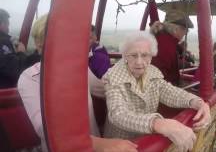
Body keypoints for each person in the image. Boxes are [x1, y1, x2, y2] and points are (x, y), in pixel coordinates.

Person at [18, 16, 138, 152]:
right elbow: (43, 127)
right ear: (40, 44)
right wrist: (100, 144)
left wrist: (132, 82)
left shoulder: (79, 69)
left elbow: (105, 88)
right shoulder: (30, 78)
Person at [103, 32, 211, 152]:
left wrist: (197, 102)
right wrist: (159, 124)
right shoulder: (113, 77)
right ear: (125, 56)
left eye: (145, 55)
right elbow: (118, 114)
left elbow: (171, 93)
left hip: (146, 137)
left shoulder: (152, 73)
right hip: (121, 143)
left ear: (151, 56)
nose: (139, 61)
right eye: (133, 55)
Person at [150, 10, 193, 86]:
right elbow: (158, 80)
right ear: (176, 29)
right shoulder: (165, 46)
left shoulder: (163, 39)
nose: (186, 33)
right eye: (185, 29)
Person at [0, 8, 26, 88]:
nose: (8, 29)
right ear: (2, 24)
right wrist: (21, 53)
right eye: (7, 24)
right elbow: (17, 72)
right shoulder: (3, 42)